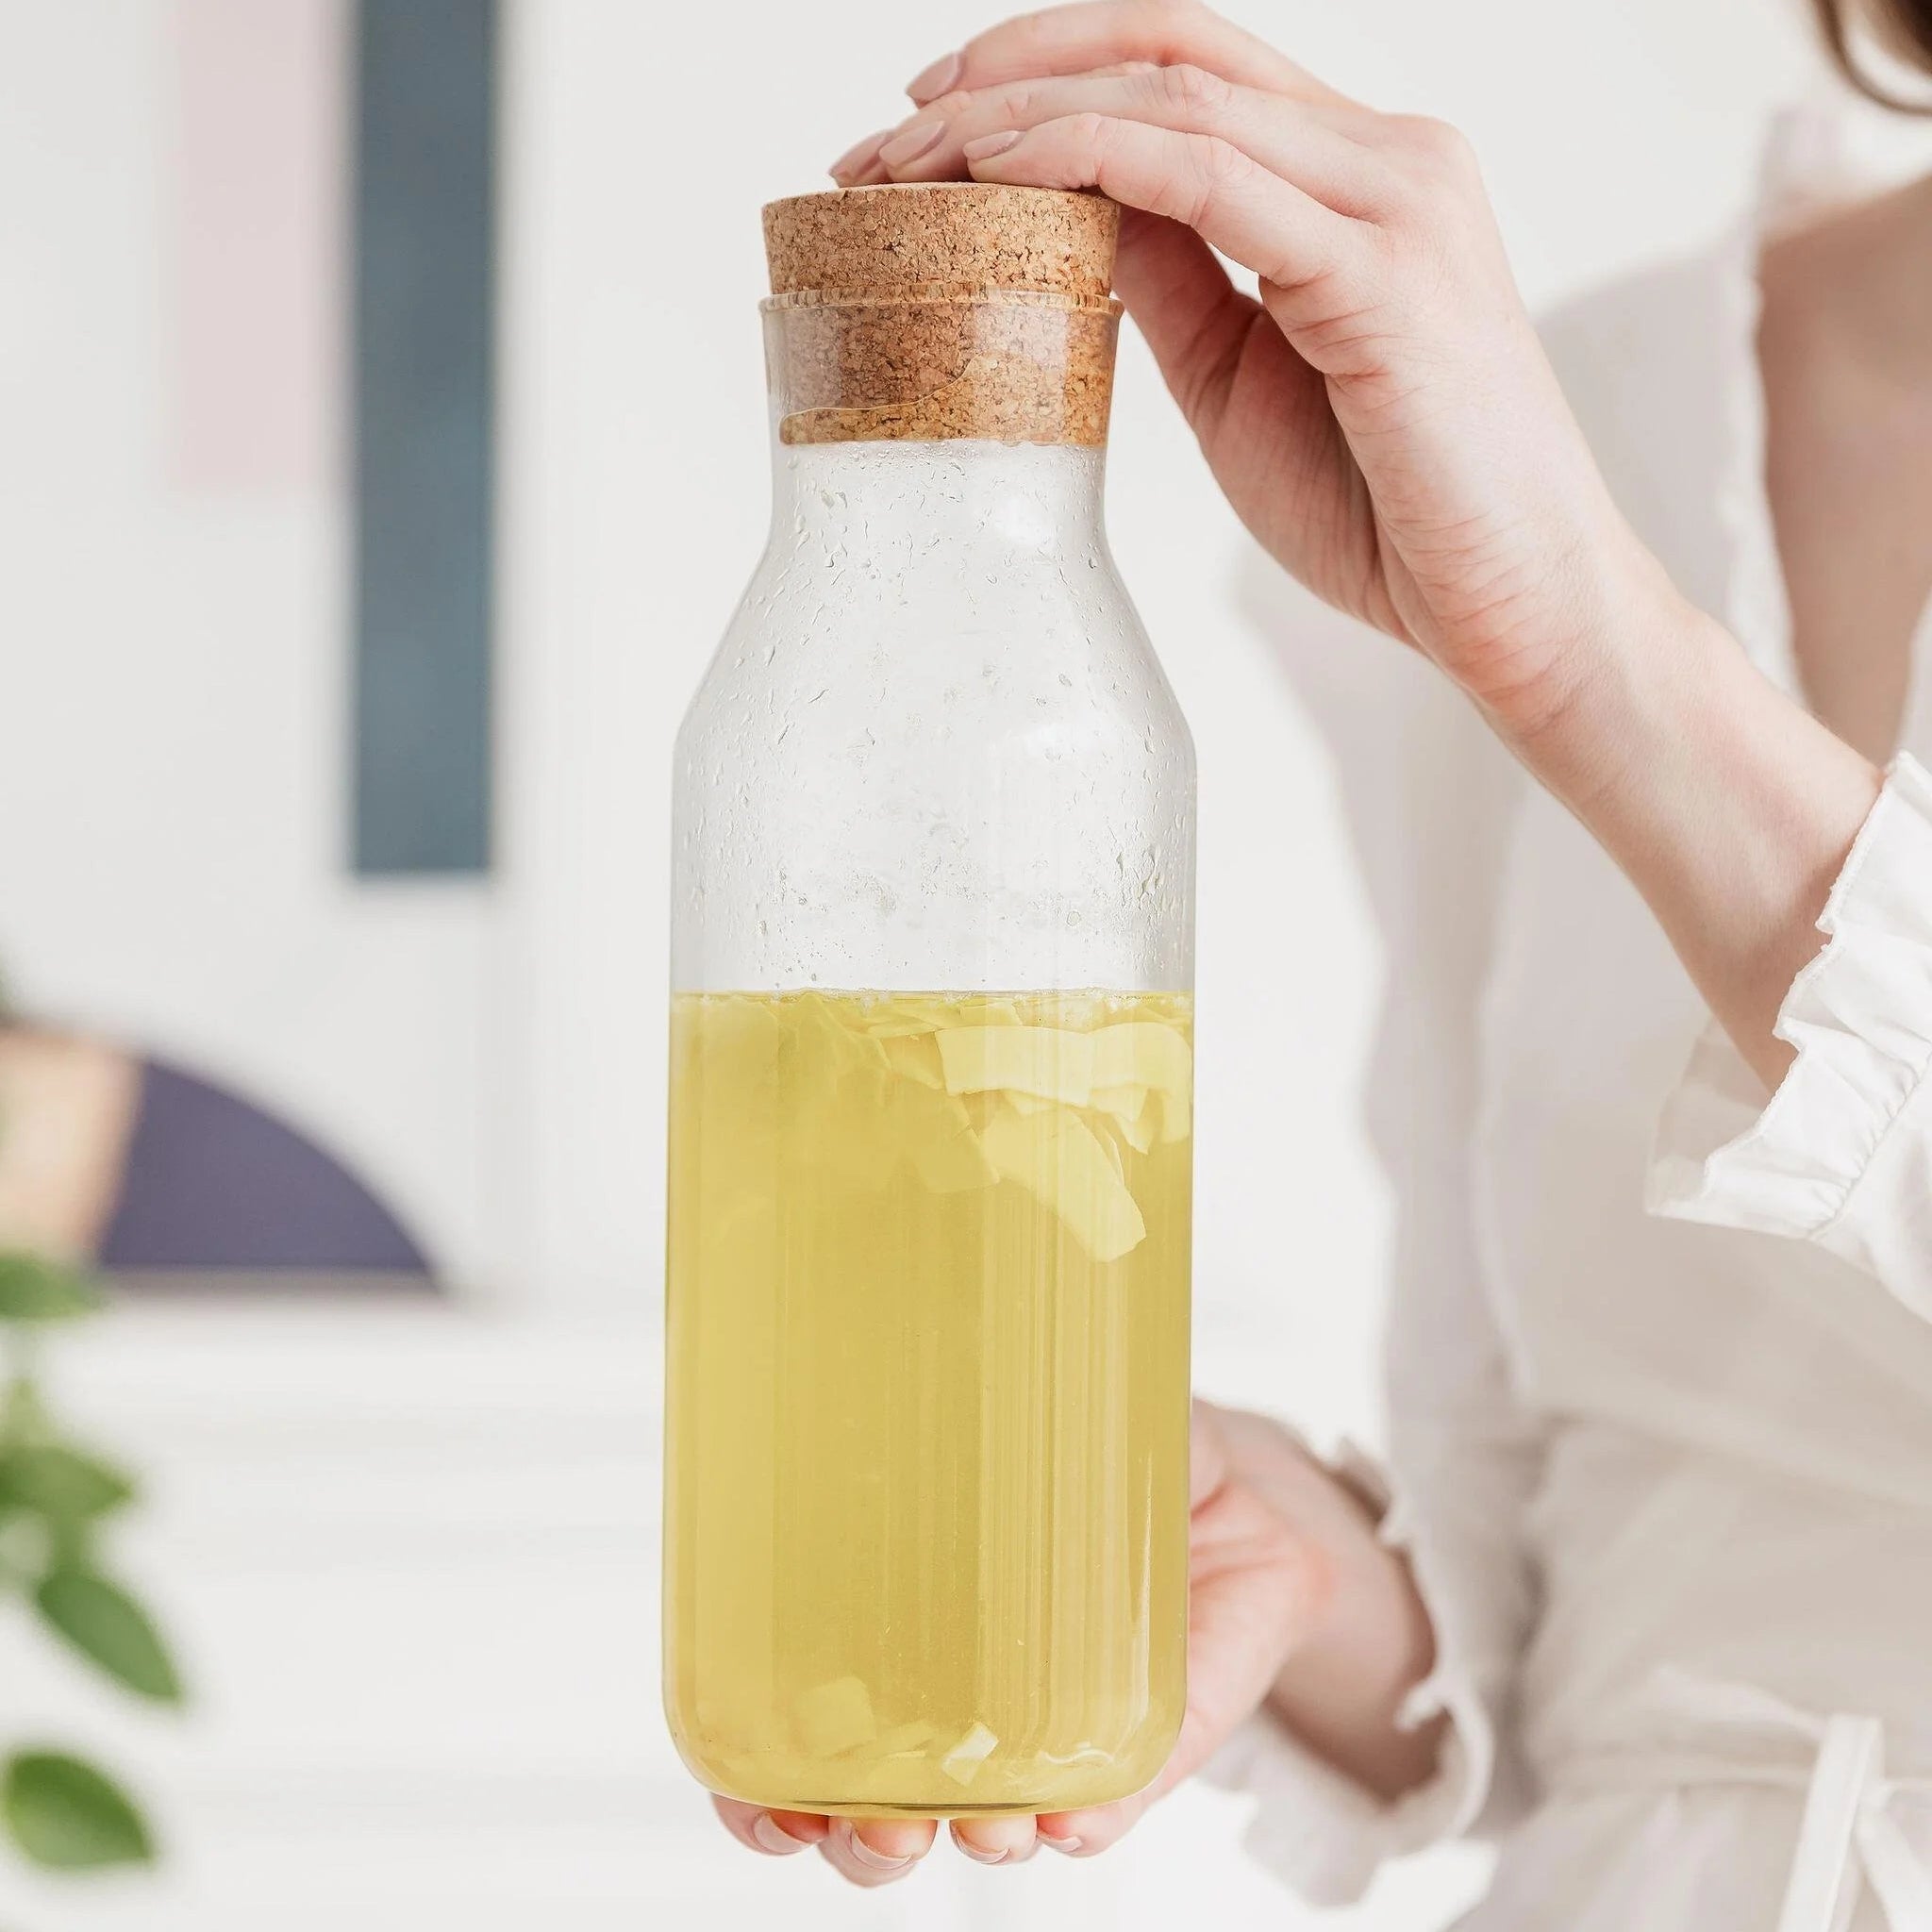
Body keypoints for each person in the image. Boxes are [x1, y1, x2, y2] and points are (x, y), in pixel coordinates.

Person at [708, 2, 1932, 1923]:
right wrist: (1249, 1538)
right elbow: (1549, 1633)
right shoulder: (1573, 397)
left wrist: (1602, 666)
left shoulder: (1542, 525)